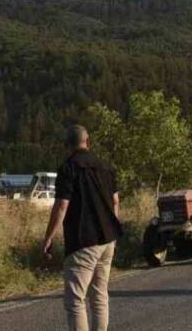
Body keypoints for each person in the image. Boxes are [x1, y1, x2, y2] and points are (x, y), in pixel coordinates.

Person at [42, 125, 122, 331]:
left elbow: (62, 206)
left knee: (75, 299)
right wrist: (112, 227)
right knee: (99, 294)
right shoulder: (105, 166)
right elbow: (115, 202)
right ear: (89, 141)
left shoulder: (68, 168)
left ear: (68, 145)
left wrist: (49, 237)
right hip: (108, 239)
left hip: (83, 241)